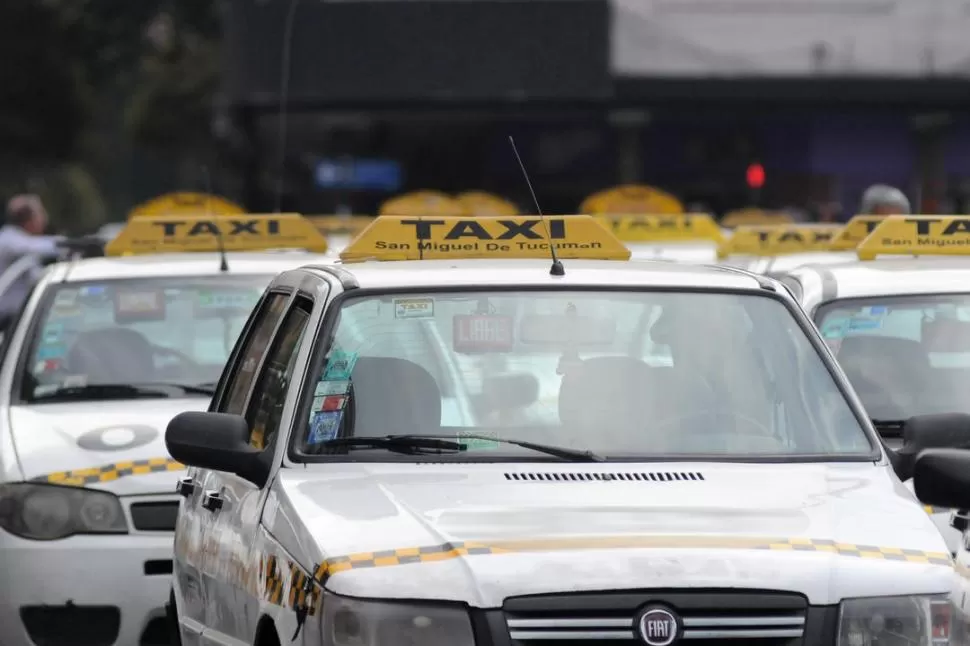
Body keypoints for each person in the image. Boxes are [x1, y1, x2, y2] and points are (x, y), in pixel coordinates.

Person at [0, 195, 64, 327]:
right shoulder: (9, 240)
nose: (44, 219)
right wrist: (67, 244)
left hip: (17, 319)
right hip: (7, 320)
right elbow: (34, 247)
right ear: (30, 220)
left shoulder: (19, 241)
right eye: (40, 214)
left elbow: (35, 277)